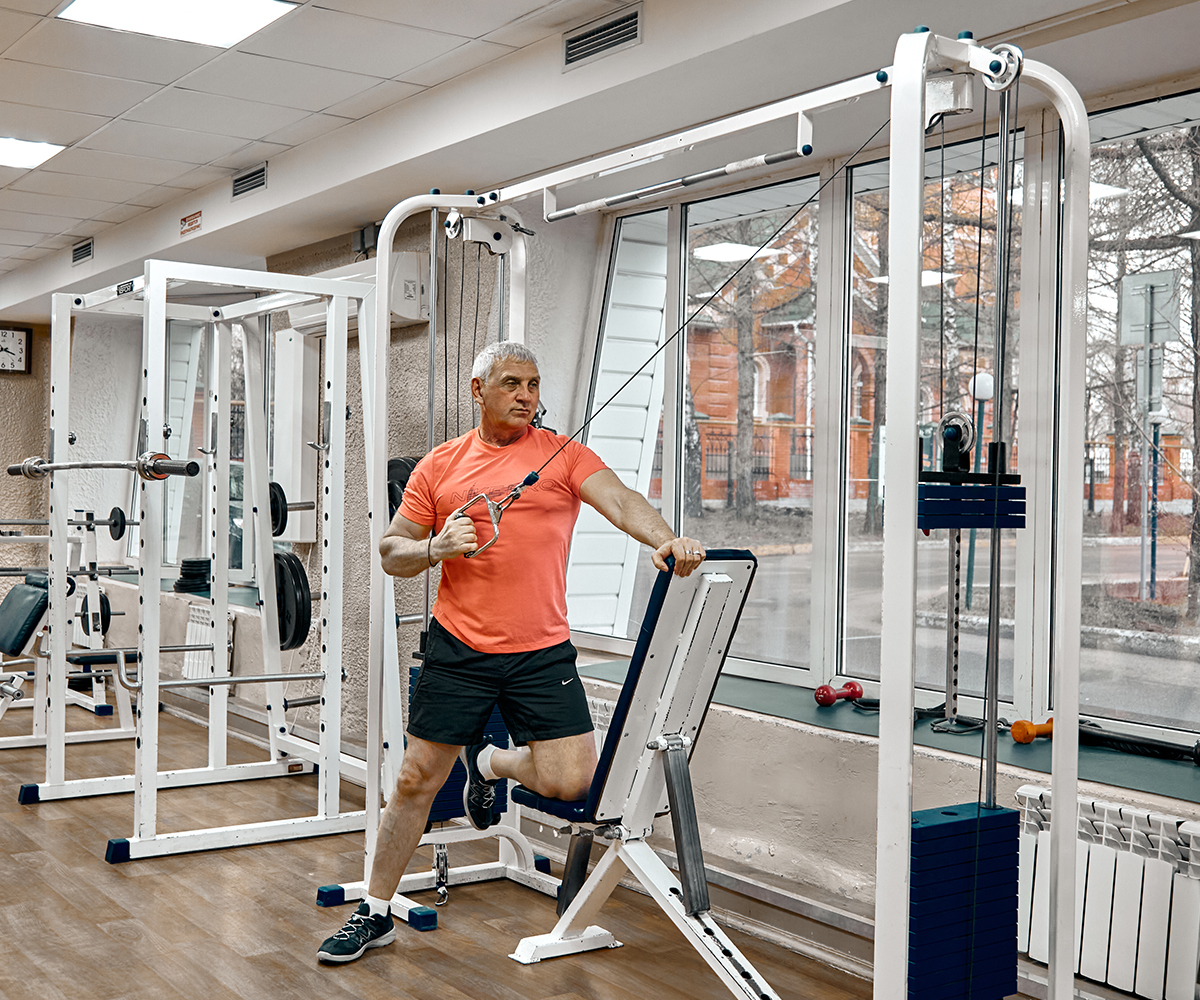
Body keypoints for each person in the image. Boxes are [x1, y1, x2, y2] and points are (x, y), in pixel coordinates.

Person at [317, 341, 705, 963]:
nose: (526, 396)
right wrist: (437, 548)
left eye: (533, 384)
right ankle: (375, 910)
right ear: (479, 390)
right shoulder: (440, 466)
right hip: (460, 647)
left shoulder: (562, 454)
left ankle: (490, 762)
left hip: (542, 650)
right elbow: (391, 552)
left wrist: (665, 538)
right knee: (415, 780)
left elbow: (622, 501)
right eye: (511, 384)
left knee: (572, 780)